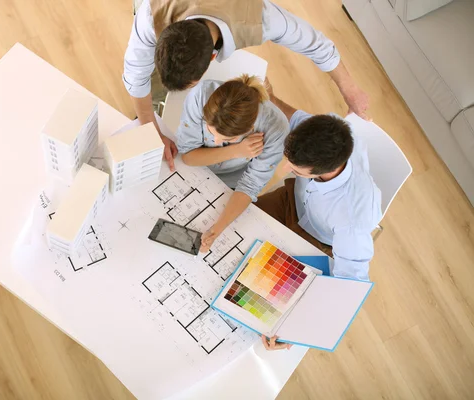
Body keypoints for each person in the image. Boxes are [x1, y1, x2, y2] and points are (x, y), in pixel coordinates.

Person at [123, 0, 369, 171]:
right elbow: (136, 73)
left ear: (211, 58)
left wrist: (351, 90)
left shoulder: (259, 16)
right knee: (149, 109)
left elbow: (316, 44)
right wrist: (149, 127)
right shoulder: (151, 14)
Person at [256, 91, 382, 282]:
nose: (285, 168)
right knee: (235, 224)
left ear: (323, 171)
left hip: (315, 241)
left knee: (262, 280)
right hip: (291, 200)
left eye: (296, 170)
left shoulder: (353, 217)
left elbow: (353, 279)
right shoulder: (328, 129)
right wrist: (271, 96)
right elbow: (297, 119)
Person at [177, 75, 289, 252]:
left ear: (250, 128)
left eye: (227, 139)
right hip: (190, 170)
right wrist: (236, 150)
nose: (215, 140)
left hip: (229, 186)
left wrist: (216, 230)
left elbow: (249, 186)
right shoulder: (200, 95)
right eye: (209, 130)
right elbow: (188, 157)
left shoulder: (276, 128)